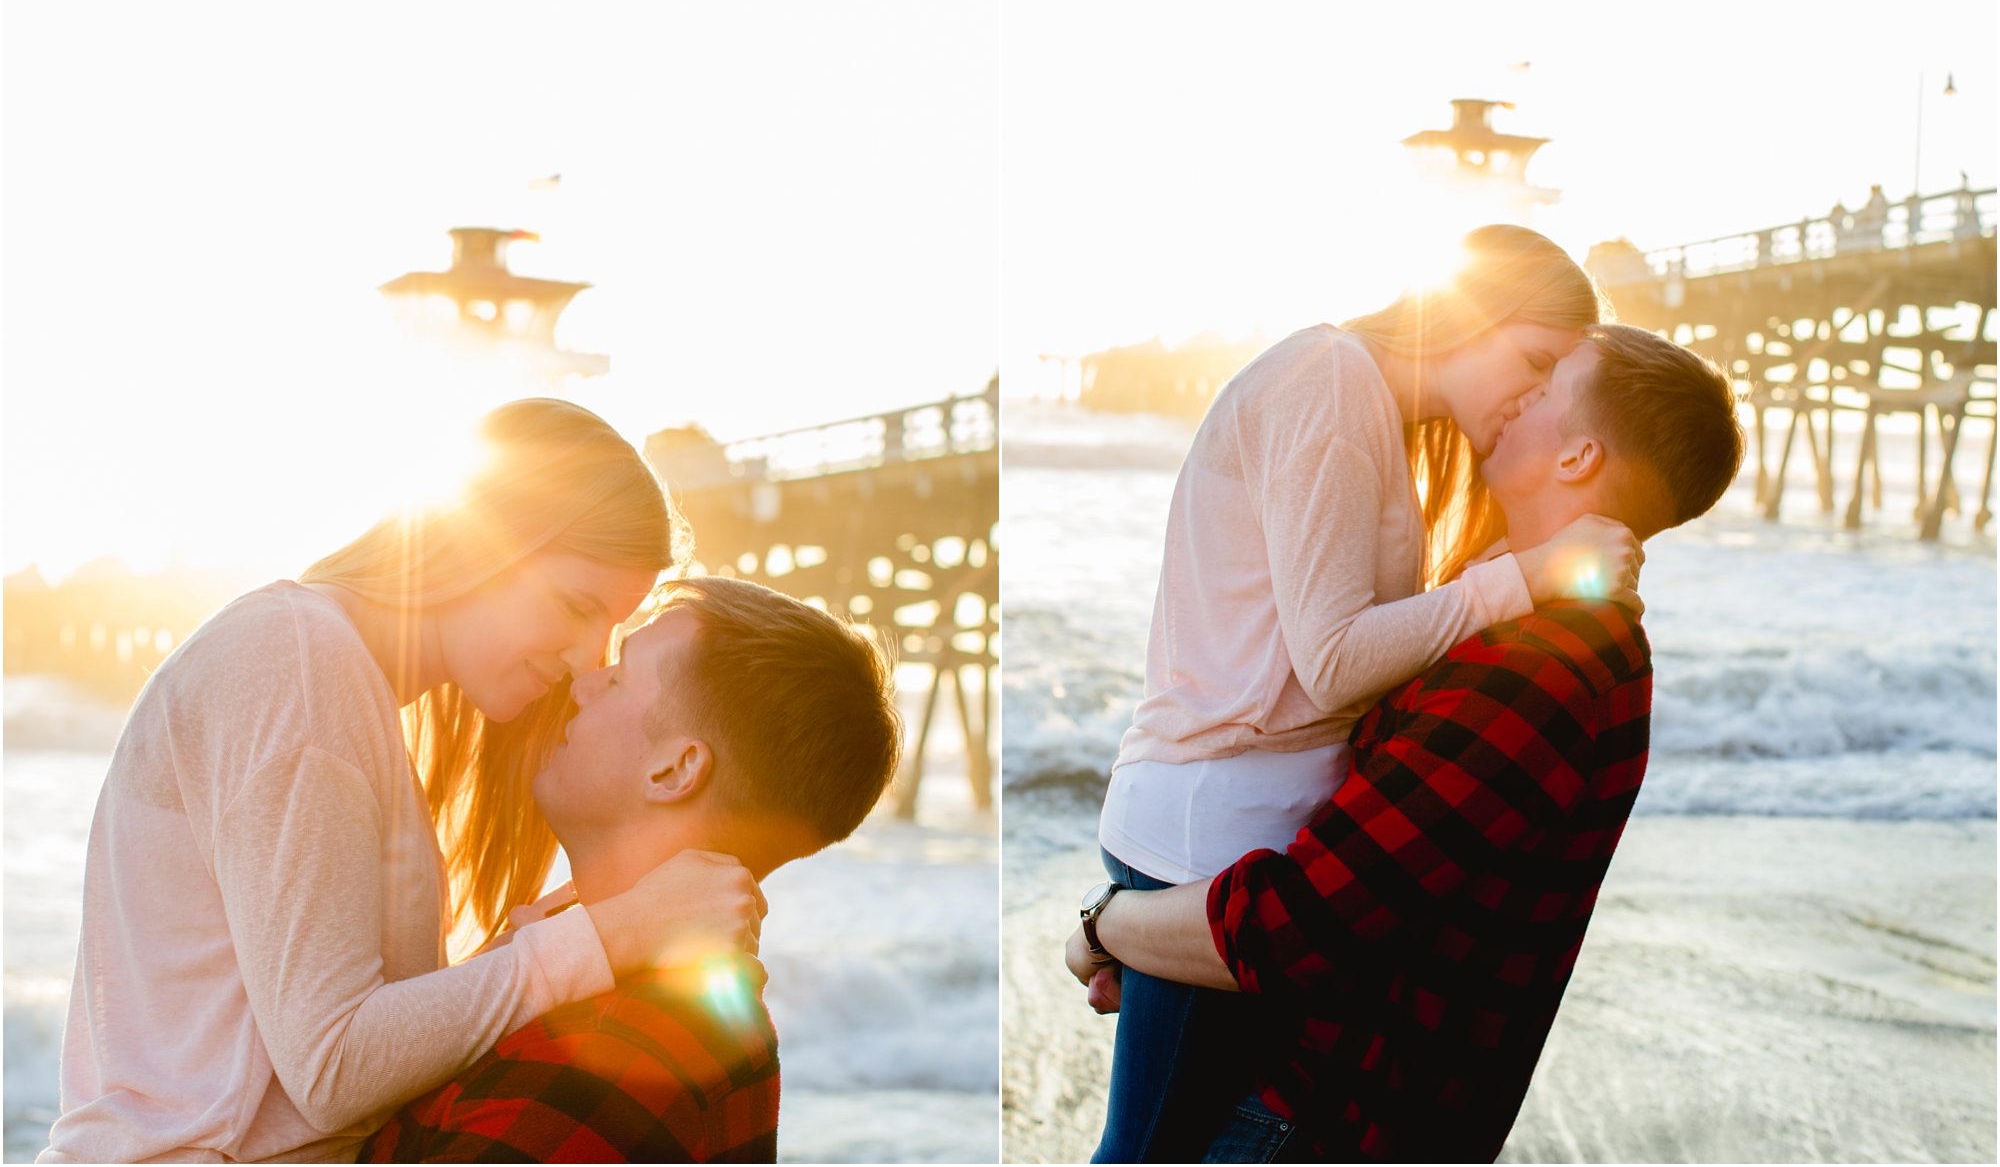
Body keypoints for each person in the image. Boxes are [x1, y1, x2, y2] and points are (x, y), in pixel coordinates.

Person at [1066, 323, 1745, 1163]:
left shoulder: (1540, 668)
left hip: (1322, 1123)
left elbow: (1296, 927)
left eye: (1544, 385)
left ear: (1578, 457)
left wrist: (1107, 925)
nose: (1515, 396)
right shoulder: (1537, 626)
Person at [44, 401, 765, 1164]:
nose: (589, 659)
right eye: (575, 605)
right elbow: (334, 1066)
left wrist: (547, 940)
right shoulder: (298, 663)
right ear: (472, 540)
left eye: (610, 632)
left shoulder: (335, 676)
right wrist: (614, 934)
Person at [361, 574, 902, 1163]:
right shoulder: (702, 1014)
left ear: (673, 772)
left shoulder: (599, 1064)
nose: (580, 685)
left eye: (617, 678)